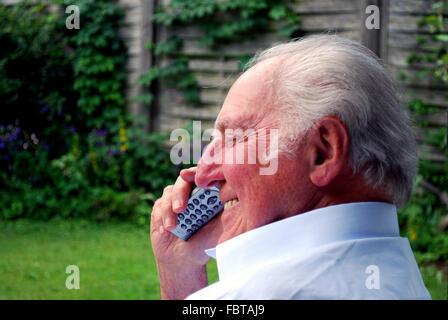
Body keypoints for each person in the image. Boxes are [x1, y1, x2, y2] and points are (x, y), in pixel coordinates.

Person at [149, 35, 431, 299]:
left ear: (323, 151)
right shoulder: (397, 274)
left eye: (233, 138)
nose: (203, 174)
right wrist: (180, 267)